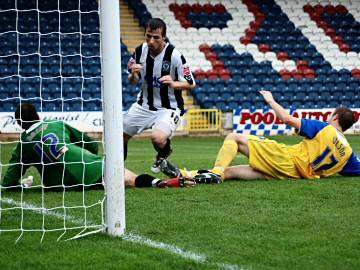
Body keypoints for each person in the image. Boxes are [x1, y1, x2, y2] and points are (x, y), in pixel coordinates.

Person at [161, 90, 360, 182]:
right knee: (229, 173)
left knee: (233, 137)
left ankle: (215, 172)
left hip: (287, 160)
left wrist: (271, 100)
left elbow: (286, 119)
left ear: (334, 116)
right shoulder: (349, 155)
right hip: (293, 176)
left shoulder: (324, 128)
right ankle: (185, 176)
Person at [1, 103, 195, 189]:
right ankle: (160, 183)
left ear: (19, 124)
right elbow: (91, 144)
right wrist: (90, 155)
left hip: (58, 184)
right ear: (37, 116)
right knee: (128, 179)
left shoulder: (22, 146)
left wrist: (22, 183)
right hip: (89, 166)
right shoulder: (56, 124)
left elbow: (8, 181)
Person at [124, 17, 196, 173]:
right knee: (119, 136)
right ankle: (116, 172)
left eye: (156, 37)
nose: (151, 41)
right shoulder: (139, 51)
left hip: (168, 108)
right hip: (143, 105)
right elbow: (133, 81)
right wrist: (133, 75)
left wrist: (173, 83)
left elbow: (191, 83)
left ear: (163, 37)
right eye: (148, 36)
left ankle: (163, 153)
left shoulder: (175, 56)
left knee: (157, 138)